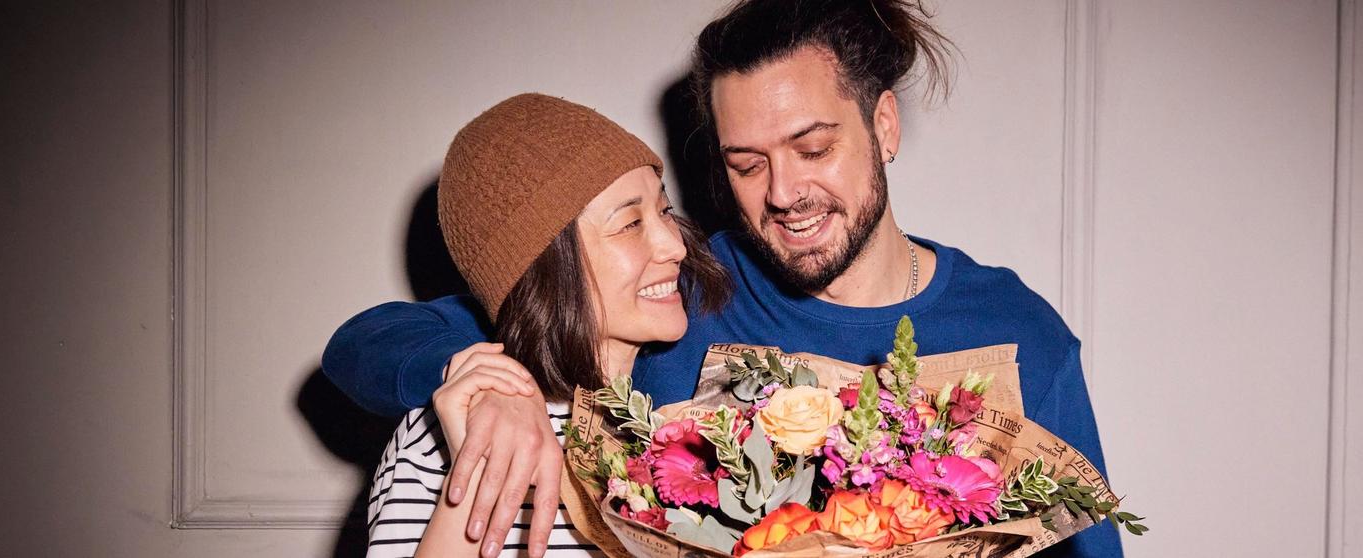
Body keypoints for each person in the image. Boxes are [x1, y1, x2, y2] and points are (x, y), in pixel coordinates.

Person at [329, 1, 1123, 557]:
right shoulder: (691, 293)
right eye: (747, 163)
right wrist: (480, 382)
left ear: (884, 127)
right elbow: (378, 336)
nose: (782, 193)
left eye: (813, 149)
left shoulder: (1019, 333)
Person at [364, 93, 732, 557]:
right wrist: (479, 478)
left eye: (663, 211)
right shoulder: (455, 434)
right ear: (545, 269)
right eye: (629, 224)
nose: (673, 246)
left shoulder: (674, 434)